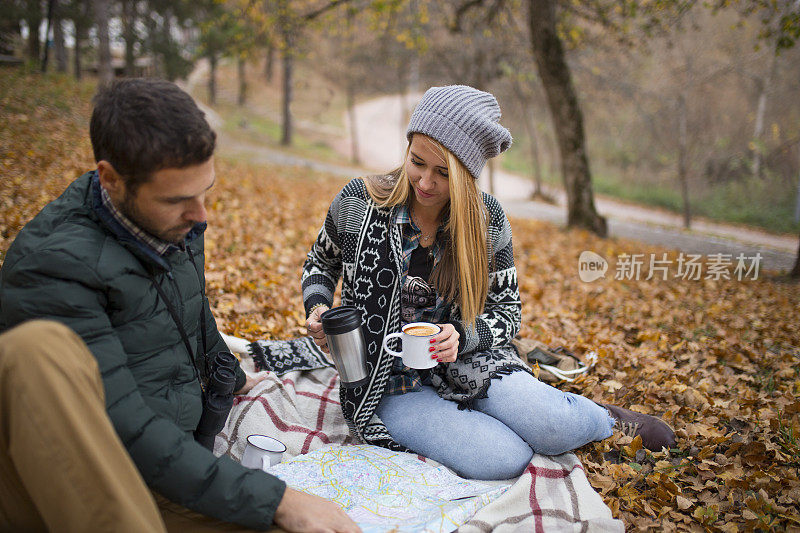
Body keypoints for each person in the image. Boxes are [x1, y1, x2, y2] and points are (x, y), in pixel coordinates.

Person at [0, 79, 360, 533]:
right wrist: (278, 500)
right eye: (178, 199)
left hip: (181, 464)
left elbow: (188, 311)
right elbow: (128, 430)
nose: (201, 214)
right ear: (110, 179)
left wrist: (224, 369)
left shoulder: (172, 223)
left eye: (204, 190)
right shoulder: (51, 269)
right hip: (111, 478)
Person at [303, 85, 675, 480]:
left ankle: (604, 420)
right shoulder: (359, 202)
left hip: (469, 359)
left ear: (465, 175)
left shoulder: (488, 221)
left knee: (554, 427)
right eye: (417, 163)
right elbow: (320, 263)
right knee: (502, 459)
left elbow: (508, 311)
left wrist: (463, 337)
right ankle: (494, 415)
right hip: (388, 382)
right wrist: (318, 308)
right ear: (408, 148)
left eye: (443, 173)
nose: (426, 182)